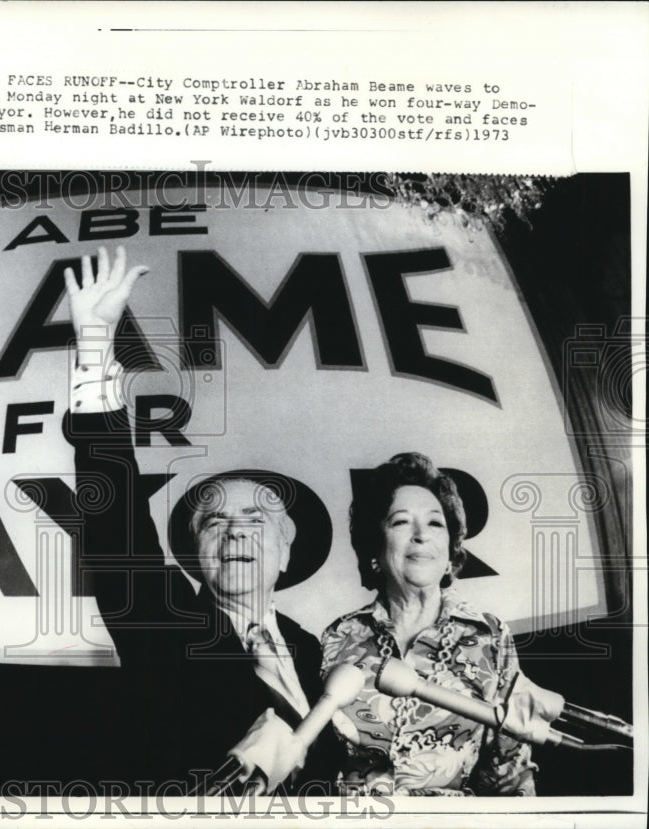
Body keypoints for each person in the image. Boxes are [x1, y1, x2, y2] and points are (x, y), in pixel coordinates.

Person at [63, 246, 338, 792]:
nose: (235, 529)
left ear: (285, 553)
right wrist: (95, 350)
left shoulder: (315, 649)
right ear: (194, 553)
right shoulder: (164, 625)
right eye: (214, 522)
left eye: (256, 520)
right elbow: (117, 531)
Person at [320, 452, 537, 796]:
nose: (421, 535)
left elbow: (512, 776)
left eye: (436, 523)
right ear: (375, 546)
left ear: (451, 550)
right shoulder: (339, 636)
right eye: (401, 521)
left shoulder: (489, 637)